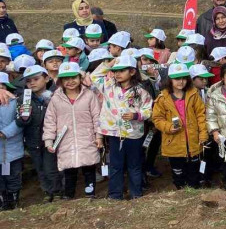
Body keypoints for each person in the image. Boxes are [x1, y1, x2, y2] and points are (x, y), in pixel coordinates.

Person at [92, 55, 153, 200]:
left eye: (121, 70)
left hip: (134, 134)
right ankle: (114, 194)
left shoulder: (140, 91)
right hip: (114, 133)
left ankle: (136, 193)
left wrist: (136, 115)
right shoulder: (108, 85)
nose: (117, 74)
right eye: (115, 71)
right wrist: (108, 64)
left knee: (134, 165)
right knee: (115, 165)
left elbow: (148, 110)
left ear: (132, 72)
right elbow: (94, 76)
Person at [43, 62, 102, 200]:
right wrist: (48, 141)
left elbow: (97, 117)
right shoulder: (56, 99)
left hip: (87, 138)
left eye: (73, 77)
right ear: (60, 81)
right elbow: (50, 121)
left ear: (80, 78)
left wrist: (98, 136)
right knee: (69, 170)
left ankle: (90, 193)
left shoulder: (89, 95)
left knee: (89, 168)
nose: (70, 82)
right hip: (65, 141)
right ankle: (68, 195)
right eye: (66, 79)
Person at [151, 63, 208, 190]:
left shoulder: (193, 95)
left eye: (183, 78)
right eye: (177, 78)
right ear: (170, 80)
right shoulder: (162, 98)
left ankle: (194, 188)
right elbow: (157, 118)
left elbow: (201, 115)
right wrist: (168, 127)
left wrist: (203, 133)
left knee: (194, 167)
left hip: (193, 140)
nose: (180, 82)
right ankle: (180, 189)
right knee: (177, 169)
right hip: (174, 141)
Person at [15, 66, 62, 202]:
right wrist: (24, 117)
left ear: (46, 78)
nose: (32, 83)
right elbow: (20, 122)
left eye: (36, 79)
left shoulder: (55, 97)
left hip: (50, 139)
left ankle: (57, 191)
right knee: (40, 167)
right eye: (29, 81)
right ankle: (47, 192)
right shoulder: (23, 99)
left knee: (51, 167)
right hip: (32, 140)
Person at [0, 76, 22, 210]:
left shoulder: (15, 103)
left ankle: (14, 199)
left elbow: (20, 121)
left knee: (11, 175)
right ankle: (4, 200)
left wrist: (4, 133)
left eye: (2, 87)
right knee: (2, 177)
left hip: (11, 149)